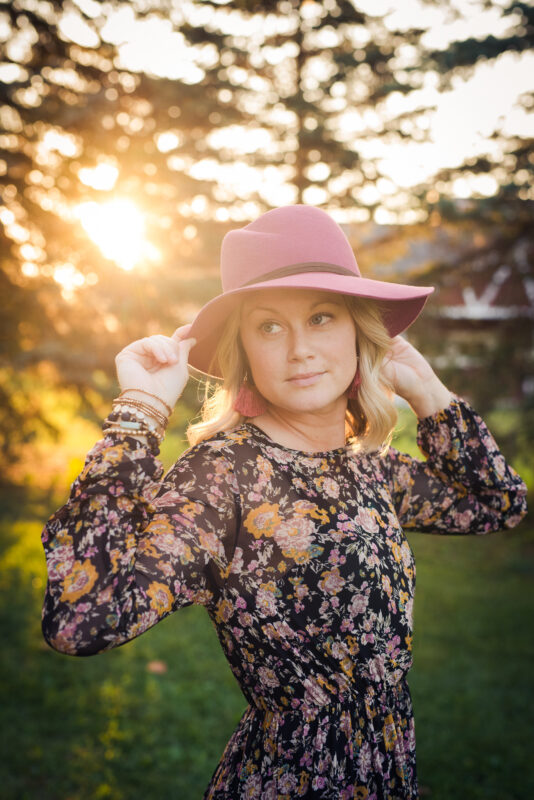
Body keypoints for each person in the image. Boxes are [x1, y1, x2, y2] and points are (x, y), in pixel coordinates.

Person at [41, 205, 527, 799]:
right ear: (243, 352)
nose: (299, 349)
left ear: (359, 330)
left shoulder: (364, 463)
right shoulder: (224, 478)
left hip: (387, 774)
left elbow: (496, 502)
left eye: (321, 318)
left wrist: (427, 392)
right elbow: (80, 619)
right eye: (270, 326)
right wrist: (139, 415)